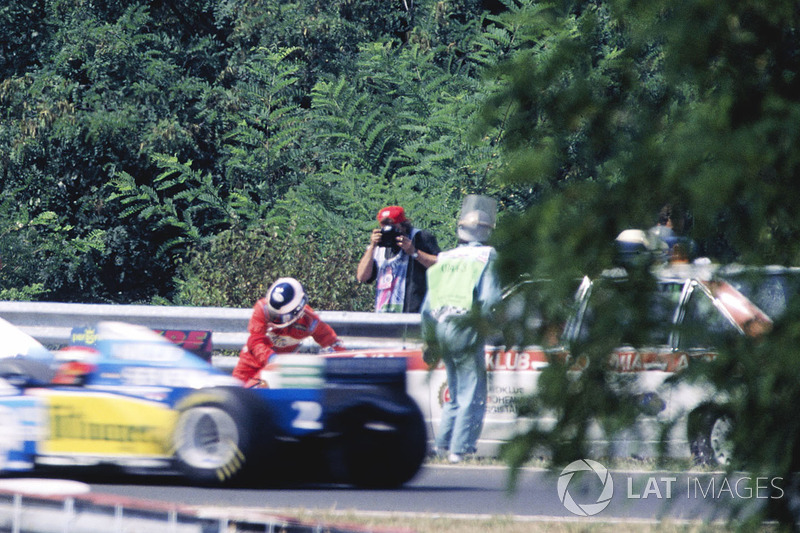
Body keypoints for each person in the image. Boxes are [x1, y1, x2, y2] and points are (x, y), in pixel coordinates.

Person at [420, 195, 502, 463]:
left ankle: (443, 445)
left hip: (442, 326)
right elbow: (490, 299)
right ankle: (461, 449)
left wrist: (428, 340)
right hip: (465, 326)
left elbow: (427, 306)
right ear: (487, 229)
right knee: (472, 392)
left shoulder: (445, 257)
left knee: (454, 392)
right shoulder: (487, 256)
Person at [233, 277, 346, 386]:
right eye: (273, 314)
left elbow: (333, 342)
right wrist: (272, 359)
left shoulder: (309, 321)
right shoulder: (262, 308)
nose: (274, 318)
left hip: (282, 370)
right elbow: (255, 341)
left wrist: (340, 359)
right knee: (234, 393)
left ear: (297, 310)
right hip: (250, 363)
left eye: (279, 316)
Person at [356, 205, 440, 313]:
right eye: (384, 226)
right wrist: (372, 246)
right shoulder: (379, 245)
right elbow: (362, 277)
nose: (388, 230)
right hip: (384, 314)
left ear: (403, 225)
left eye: (392, 226)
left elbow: (441, 265)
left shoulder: (419, 238)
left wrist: (415, 252)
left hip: (413, 314)